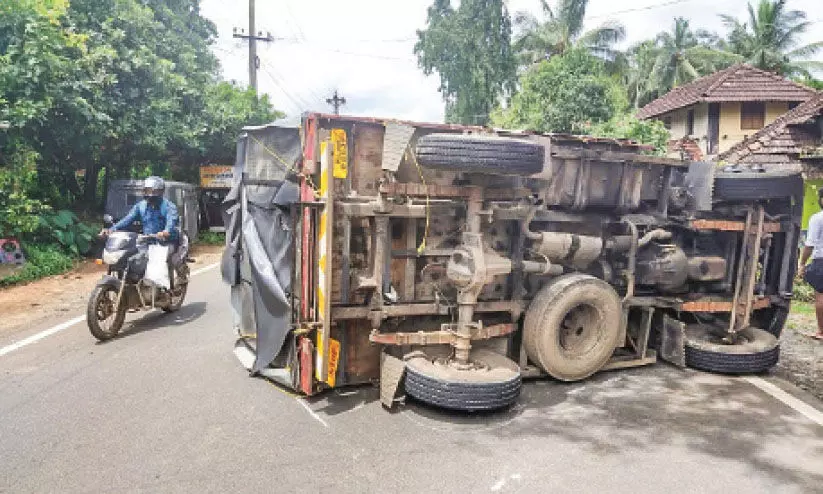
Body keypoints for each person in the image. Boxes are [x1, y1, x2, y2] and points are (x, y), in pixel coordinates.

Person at [101, 176, 178, 242]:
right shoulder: (141, 206)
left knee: (163, 259)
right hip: (147, 241)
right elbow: (127, 219)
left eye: (151, 191)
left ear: (161, 191)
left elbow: (171, 222)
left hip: (166, 242)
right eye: (146, 191)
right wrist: (111, 229)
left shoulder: (169, 207)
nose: (148, 194)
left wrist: (166, 232)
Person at [798, 187, 823, 341]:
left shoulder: (818, 218)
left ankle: (821, 331)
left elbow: (810, 244)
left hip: (821, 261)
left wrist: (802, 263)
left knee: (820, 297)